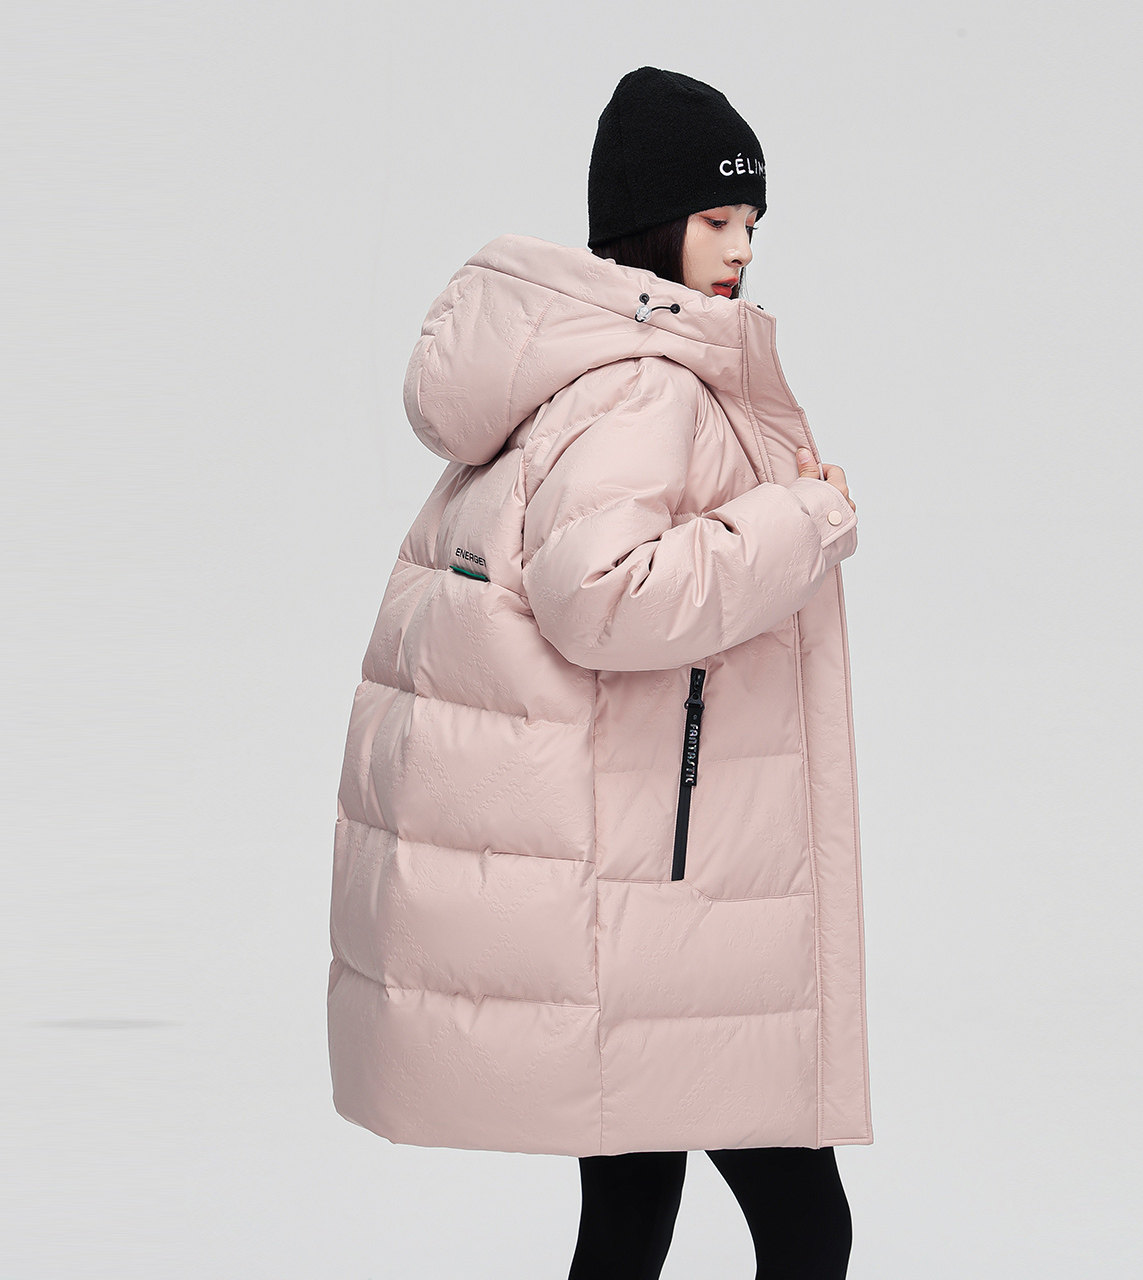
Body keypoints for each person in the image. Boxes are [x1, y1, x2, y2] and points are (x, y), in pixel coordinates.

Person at [327, 66, 872, 1280]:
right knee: (804, 1225)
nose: (740, 249)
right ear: (650, 221)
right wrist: (803, 517)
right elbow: (601, 594)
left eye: (751, 222)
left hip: (637, 871)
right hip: (662, 892)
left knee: (627, 1222)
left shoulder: (584, 373)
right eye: (716, 219)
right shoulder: (643, 385)